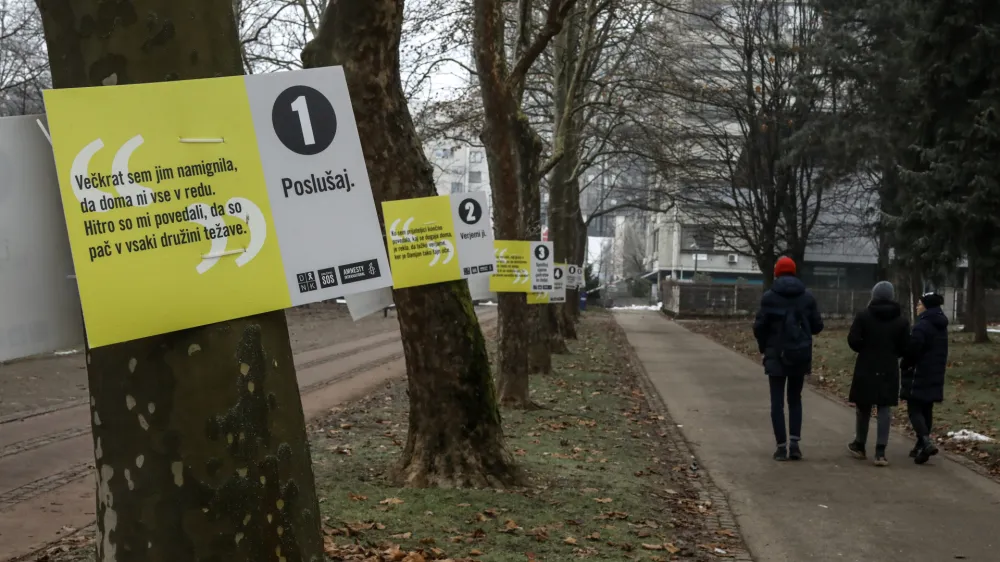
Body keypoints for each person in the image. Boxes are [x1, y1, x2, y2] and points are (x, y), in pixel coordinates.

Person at [753, 256, 824, 461]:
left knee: (777, 402)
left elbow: (759, 327)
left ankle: (780, 447)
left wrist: (764, 347)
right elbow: (818, 326)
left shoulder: (769, 297)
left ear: (776, 272)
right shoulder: (807, 297)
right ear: (794, 272)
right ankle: (795, 445)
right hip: (799, 354)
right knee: (795, 399)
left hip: (776, 354)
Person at [845, 281, 910, 466]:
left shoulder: (864, 316)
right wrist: (894, 353)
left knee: (863, 407)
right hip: (888, 366)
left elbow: (853, 340)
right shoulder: (901, 320)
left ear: (874, 295)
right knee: (884, 408)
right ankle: (880, 452)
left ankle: (860, 444)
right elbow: (906, 346)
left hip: (866, 364)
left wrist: (864, 348)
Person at [901, 292, 948, 464]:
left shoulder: (922, 326)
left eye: (919, 304)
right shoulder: (940, 325)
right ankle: (921, 446)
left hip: (918, 372)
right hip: (935, 372)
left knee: (914, 409)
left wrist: (905, 363)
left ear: (926, 306)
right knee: (927, 409)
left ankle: (926, 442)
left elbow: (913, 349)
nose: (917, 306)